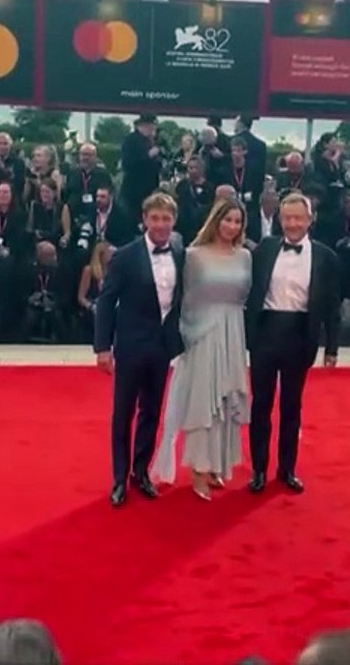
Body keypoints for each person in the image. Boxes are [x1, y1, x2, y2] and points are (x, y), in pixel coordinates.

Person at [155, 197, 251, 500]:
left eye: (237, 222)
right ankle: (197, 468)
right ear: (216, 220)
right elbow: (186, 299)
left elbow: (245, 297)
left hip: (233, 334)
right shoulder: (194, 256)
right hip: (201, 336)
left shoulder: (246, 256)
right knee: (203, 403)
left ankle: (215, 467)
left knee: (225, 403)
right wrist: (190, 336)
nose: (232, 227)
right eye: (227, 220)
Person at [246, 192, 340, 494]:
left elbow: (332, 306)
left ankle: (286, 469)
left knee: (291, 406)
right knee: (260, 406)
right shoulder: (265, 249)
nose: (293, 223)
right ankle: (258, 470)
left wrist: (332, 348)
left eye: (299, 217)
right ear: (279, 219)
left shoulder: (326, 257)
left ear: (310, 220)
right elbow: (251, 293)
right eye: (287, 218)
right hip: (265, 333)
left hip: (301, 334)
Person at [94, 192, 184, 507]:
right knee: (123, 414)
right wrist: (103, 348)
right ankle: (119, 478)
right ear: (144, 220)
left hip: (162, 347)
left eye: (166, 219)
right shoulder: (125, 256)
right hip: (131, 345)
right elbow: (105, 302)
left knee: (151, 412)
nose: (161, 225)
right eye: (155, 218)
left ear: (174, 222)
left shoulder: (178, 250)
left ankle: (140, 471)